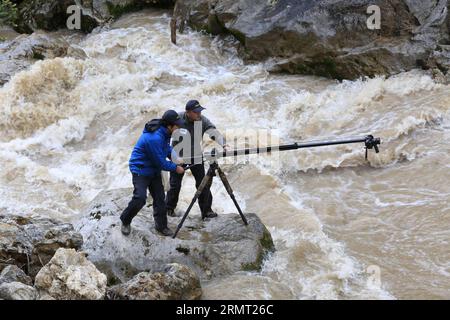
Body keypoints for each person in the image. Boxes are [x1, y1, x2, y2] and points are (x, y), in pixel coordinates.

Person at [120, 110, 185, 237]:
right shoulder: (154, 138)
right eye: (177, 126)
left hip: (153, 169)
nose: (179, 128)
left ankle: (161, 226)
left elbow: (166, 148)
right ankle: (125, 220)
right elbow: (161, 162)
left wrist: (175, 157)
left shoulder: (165, 133)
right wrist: (176, 168)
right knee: (140, 198)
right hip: (140, 169)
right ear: (169, 125)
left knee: (160, 198)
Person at [166, 100, 229, 219]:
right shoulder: (177, 119)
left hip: (196, 156)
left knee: (202, 183)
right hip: (178, 157)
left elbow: (213, 131)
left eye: (200, 111)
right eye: (196, 112)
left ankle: (206, 211)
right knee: (175, 185)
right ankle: (169, 209)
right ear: (188, 112)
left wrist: (224, 144)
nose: (199, 114)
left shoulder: (202, 120)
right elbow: (166, 132)